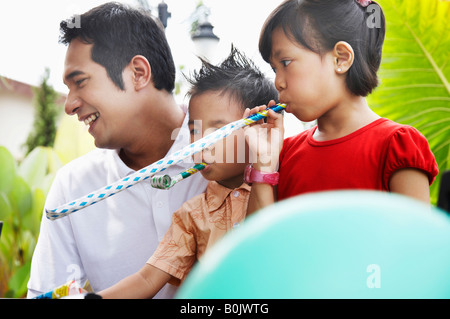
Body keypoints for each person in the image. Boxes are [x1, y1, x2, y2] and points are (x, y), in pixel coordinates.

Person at [27, 2, 209, 298]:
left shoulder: (228, 156)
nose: (69, 104)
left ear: (138, 73)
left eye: (80, 82)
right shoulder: (73, 188)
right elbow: (46, 293)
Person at [96, 47, 279, 298]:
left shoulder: (287, 183)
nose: (200, 142)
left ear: (258, 125)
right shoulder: (191, 215)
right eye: (194, 130)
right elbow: (147, 279)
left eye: (217, 130)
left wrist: (263, 168)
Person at [245, 0, 439, 215]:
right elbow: (263, 245)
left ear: (341, 58)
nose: (278, 82)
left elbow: (417, 244)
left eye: (286, 62)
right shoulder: (283, 154)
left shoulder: (395, 146)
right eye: (274, 69)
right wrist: (263, 166)